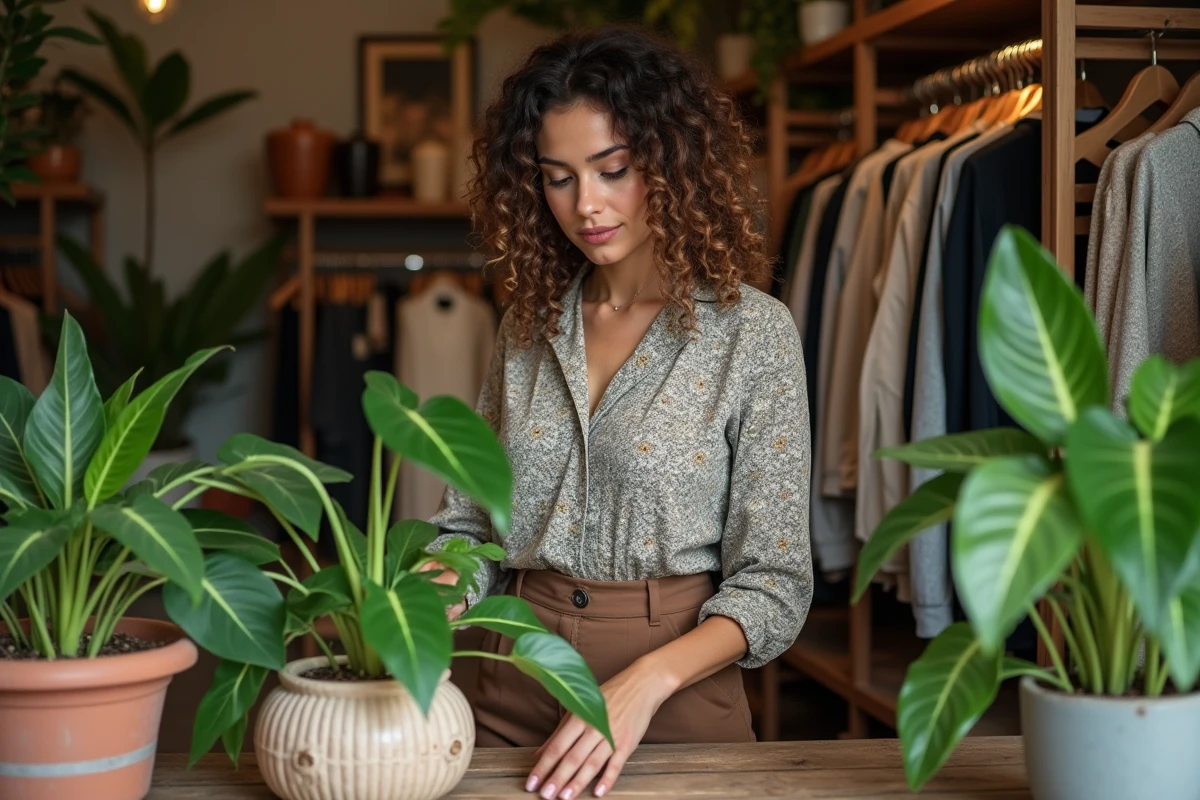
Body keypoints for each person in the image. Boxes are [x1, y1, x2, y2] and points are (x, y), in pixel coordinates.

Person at [422, 25, 813, 800]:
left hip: (674, 695)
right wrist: (412, 607)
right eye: (558, 177)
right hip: (508, 677)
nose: (586, 205)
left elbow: (775, 582)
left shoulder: (751, 334)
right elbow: (470, 528)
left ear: (671, 164)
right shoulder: (526, 328)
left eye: (613, 170)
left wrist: (645, 681)